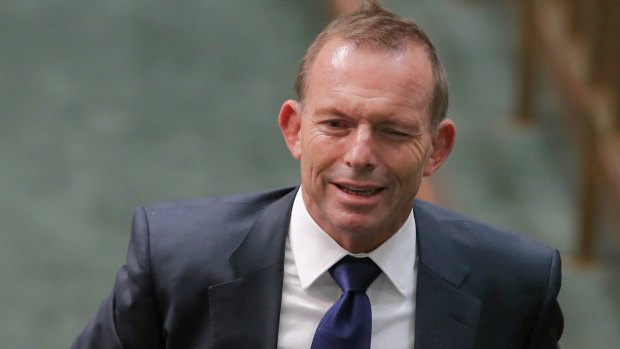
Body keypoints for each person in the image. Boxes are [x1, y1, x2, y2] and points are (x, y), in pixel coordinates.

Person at [72, 1, 563, 348]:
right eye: (336, 124)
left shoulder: (513, 288)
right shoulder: (176, 263)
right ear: (293, 129)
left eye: (392, 131)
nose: (360, 153)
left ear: (437, 149)